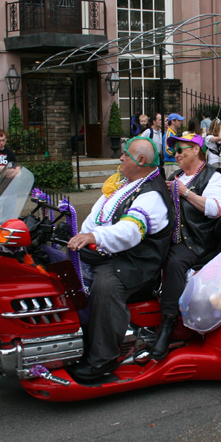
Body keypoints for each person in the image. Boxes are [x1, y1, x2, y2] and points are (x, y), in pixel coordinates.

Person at [65, 138, 172, 382]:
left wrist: (94, 237)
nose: (121, 158)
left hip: (136, 263)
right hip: (112, 253)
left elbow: (131, 230)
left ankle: (102, 359)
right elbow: (98, 215)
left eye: (126, 154)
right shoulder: (127, 183)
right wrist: (82, 235)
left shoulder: (152, 195)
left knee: (106, 286)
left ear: (141, 160)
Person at [154, 133, 221, 359]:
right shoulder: (176, 176)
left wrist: (184, 193)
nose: (176, 154)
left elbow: (215, 209)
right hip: (171, 236)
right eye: (174, 150)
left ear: (196, 149)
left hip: (197, 240)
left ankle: (167, 326)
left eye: (180, 149)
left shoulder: (213, 176)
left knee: (175, 261)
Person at [163, 113, 185, 178]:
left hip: (174, 164)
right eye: (179, 120)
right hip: (171, 164)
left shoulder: (173, 133)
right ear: (173, 121)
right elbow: (167, 152)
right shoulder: (169, 134)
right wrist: (179, 154)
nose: (181, 122)